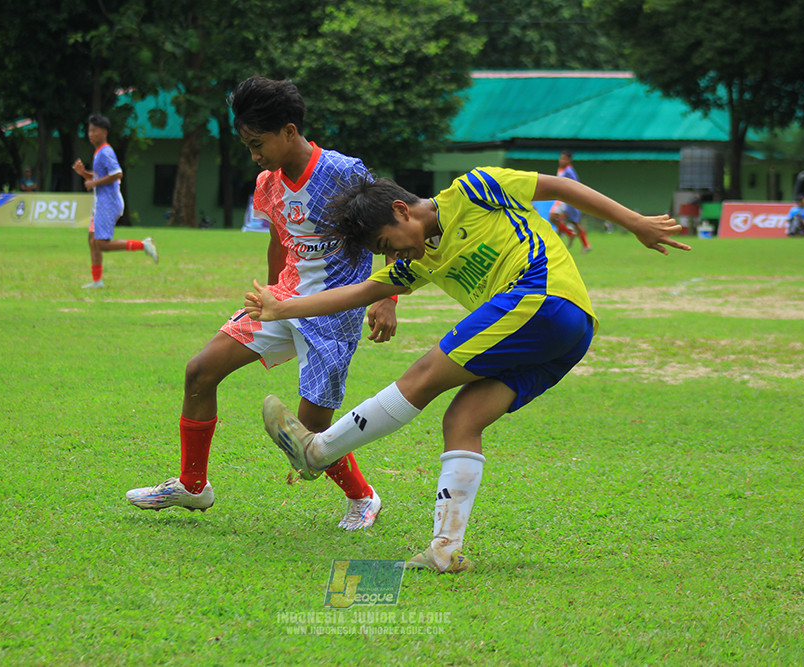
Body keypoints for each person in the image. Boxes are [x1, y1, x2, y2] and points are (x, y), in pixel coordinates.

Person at [245, 166, 690, 572]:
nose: (393, 256)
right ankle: (445, 550)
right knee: (462, 420)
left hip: (542, 297)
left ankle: (318, 451)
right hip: (568, 335)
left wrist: (634, 221)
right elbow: (359, 292)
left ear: (402, 210)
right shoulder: (418, 259)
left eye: (386, 244)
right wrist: (284, 306)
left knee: (423, 375)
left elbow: (557, 187)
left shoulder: (474, 189)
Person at [125, 77, 399, 531]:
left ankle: (364, 496)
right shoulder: (267, 184)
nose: (253, 154)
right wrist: (272, 298)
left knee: (307, 441)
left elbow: (394, 226)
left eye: (258, 143)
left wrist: (387, 298)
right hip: (282, 302)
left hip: (332, 316)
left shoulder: (345, 172)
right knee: (200, 370)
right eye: (246, 144)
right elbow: (280, 241)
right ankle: (193, 486)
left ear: (289, 131)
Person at [73, 114, 158, 288]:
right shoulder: (99, 152)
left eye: (94, 130)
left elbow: (117, 174)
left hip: (109, 203)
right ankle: (97, 281)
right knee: (92, 240)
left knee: (101, 244)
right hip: (102, 202)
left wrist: (93, 182)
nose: (90, 134)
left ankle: (143, 245)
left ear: (104, 132)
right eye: (89, 130)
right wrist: (84, 174)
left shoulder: (106, 151)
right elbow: (102, 176)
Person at [548, 151, 591, 252]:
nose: (561, 160)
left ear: (569, 160)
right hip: (561, 199)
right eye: (560, 158)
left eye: (563, 158)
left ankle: (574, 237)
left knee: (565, 220)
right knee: (555, 218)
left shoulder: (569, 171)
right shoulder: (561, 169)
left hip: (567, 199)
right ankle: (569, 237)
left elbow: (575, 185)